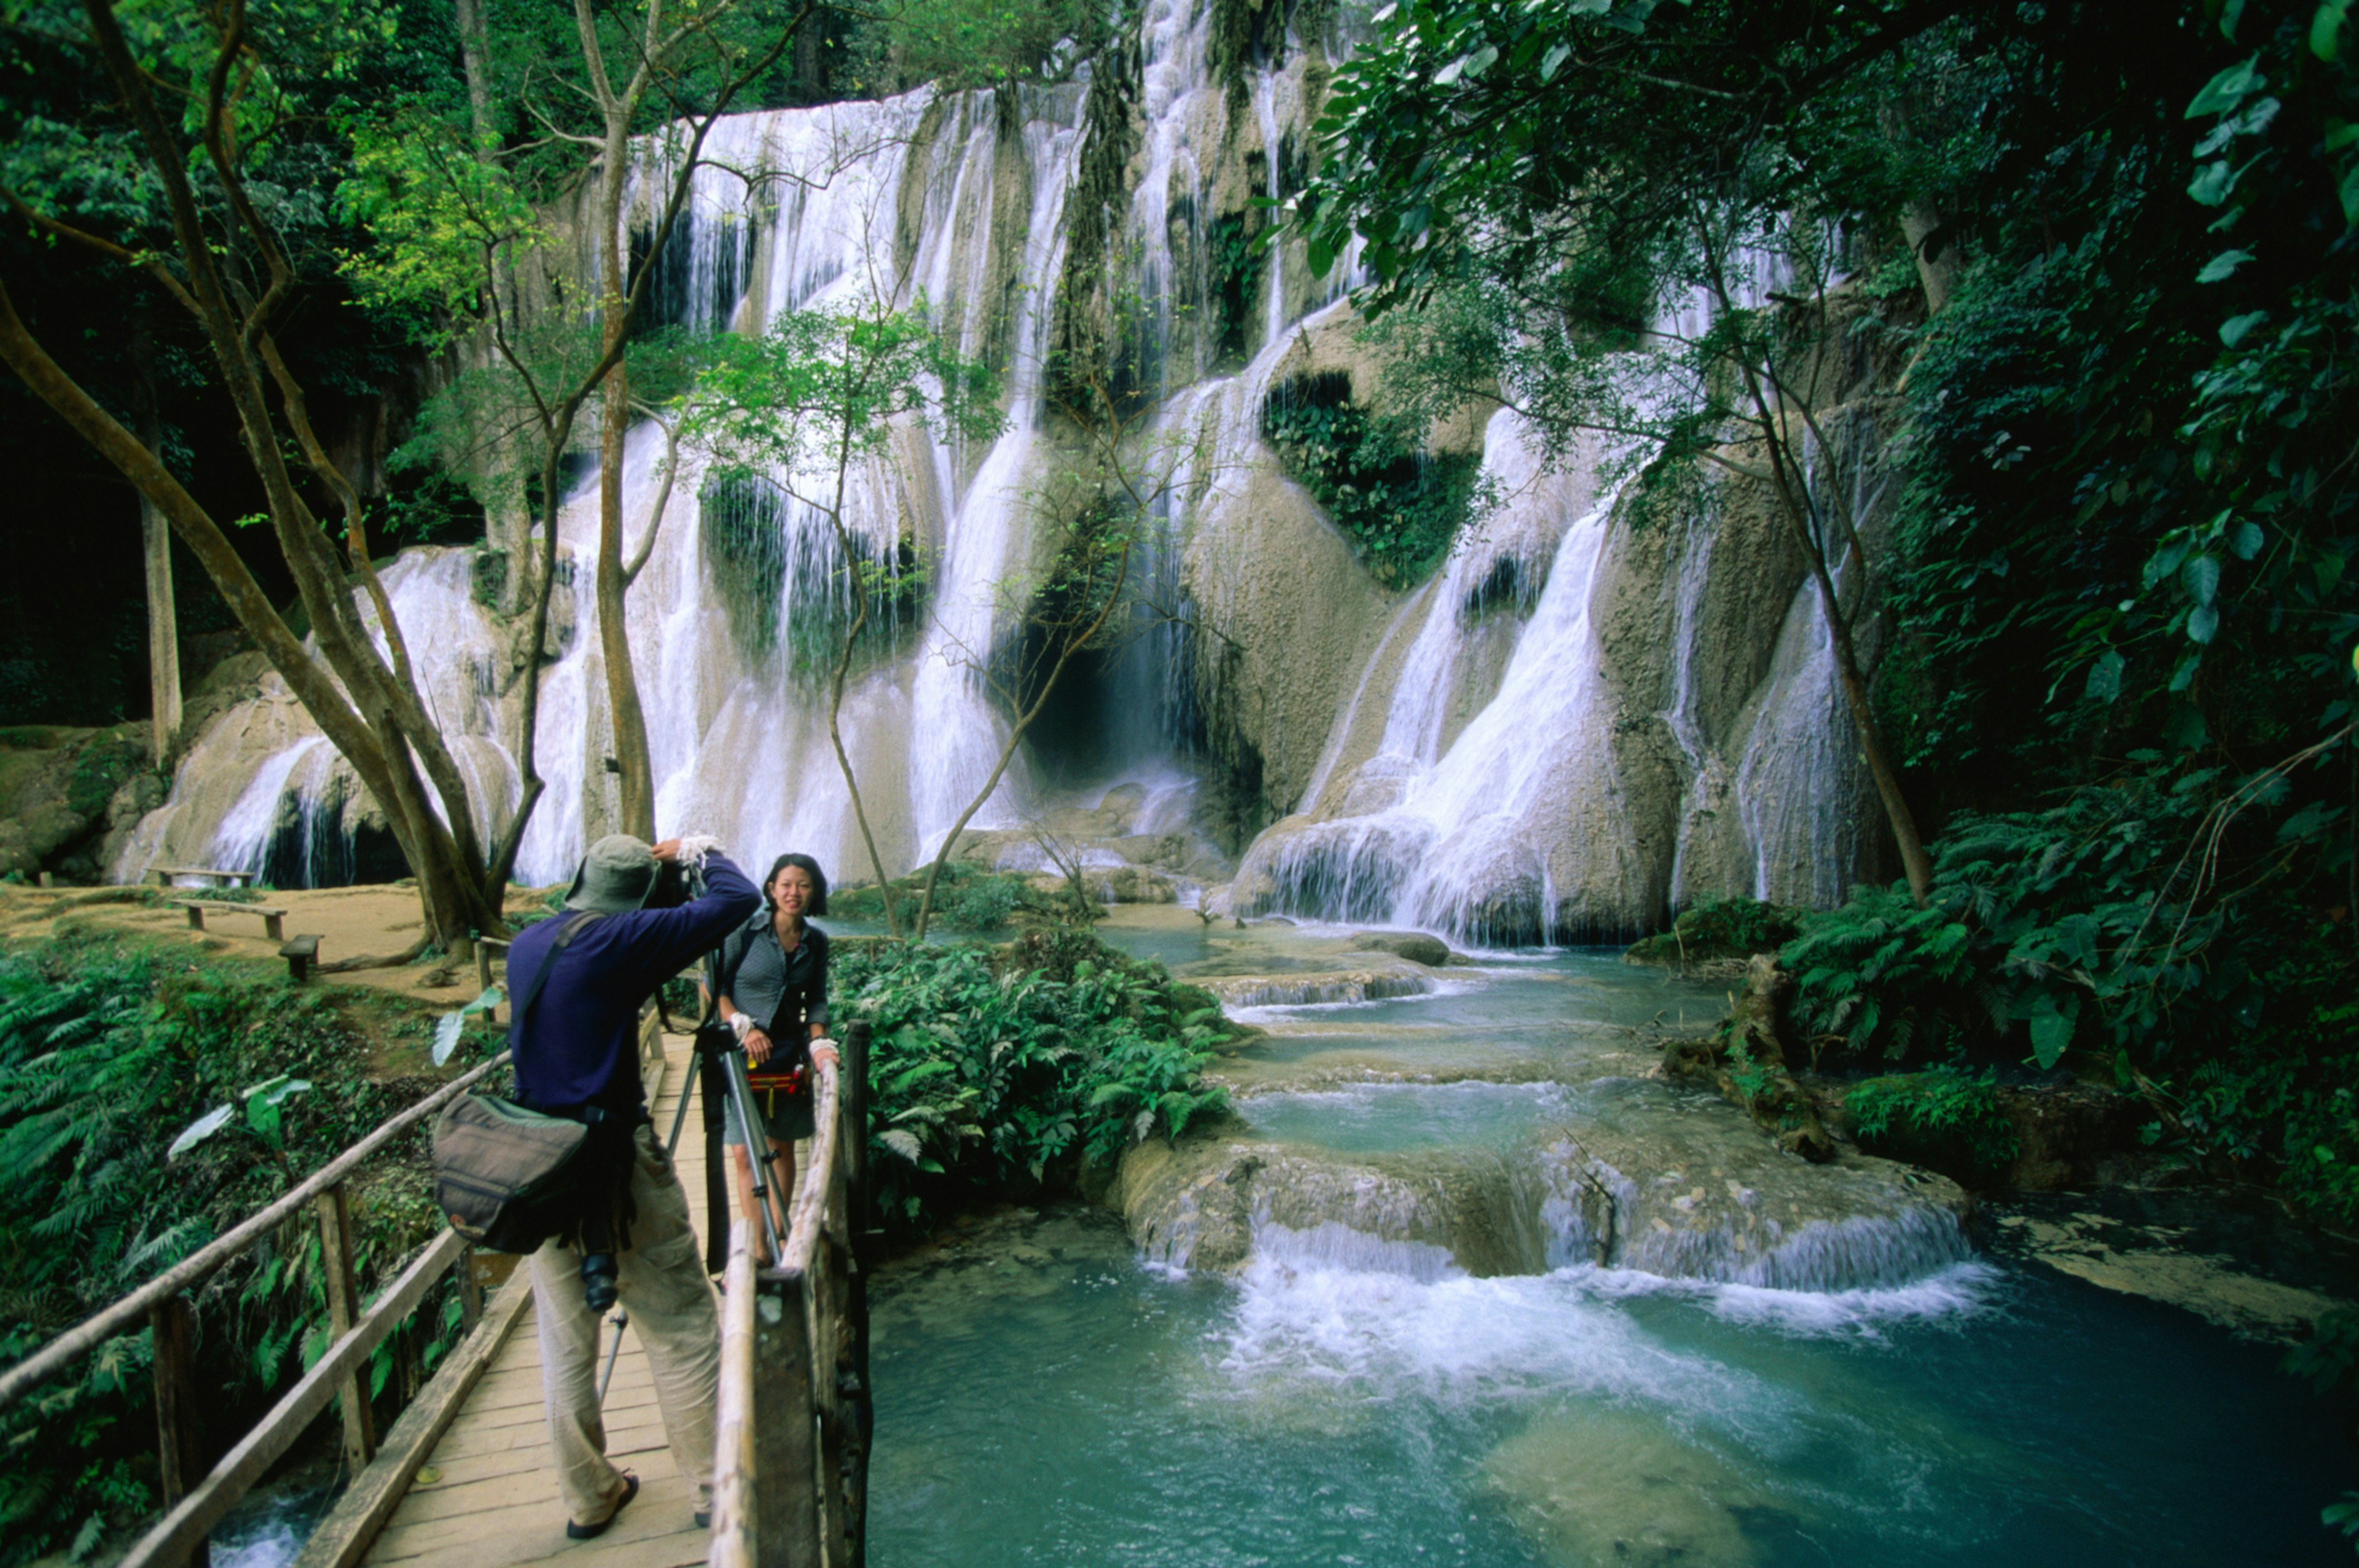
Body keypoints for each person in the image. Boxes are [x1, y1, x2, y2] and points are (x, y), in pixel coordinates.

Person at [506, 833, 759, 1539]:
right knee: (680, 1327)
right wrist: (698, 849)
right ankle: (716, 1494)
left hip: (540, 1167)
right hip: (616, 1165)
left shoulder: (526, 945)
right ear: (638, 901)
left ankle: (589, 1497)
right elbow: (737, 899)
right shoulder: (620, 943)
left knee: (565, 1343)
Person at [710, 852, 838, 1263]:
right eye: (785, 884)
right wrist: (741, 1024)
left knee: (780, 1146)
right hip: (740, 1052)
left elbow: (816, 998)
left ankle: (781, 1234)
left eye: (803, 884)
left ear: (814, 891)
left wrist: (819, 1042)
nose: (793, 892)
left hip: (787, 1055)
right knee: (745, 1150)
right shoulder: (743, 932)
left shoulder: (816, 942)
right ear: (770, 888)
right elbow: (713, 988)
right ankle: (757, 1250)